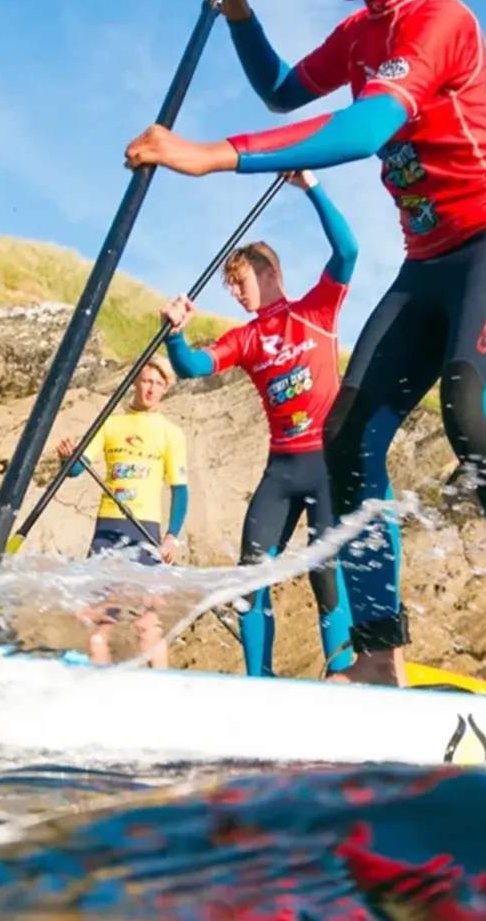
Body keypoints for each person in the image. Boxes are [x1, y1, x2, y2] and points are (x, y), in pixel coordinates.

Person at [120, 0, 486, 698]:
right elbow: (280, 91)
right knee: (347, 437)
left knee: (473, 412)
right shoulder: (359, 32)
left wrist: (210, 156)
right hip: (426, 263)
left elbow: (367, 128)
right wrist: (241, 14)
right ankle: (379, 654)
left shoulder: (440, 19)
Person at [159, 169, 357, 679]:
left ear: (268, 272)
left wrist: (311, 186)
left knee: (324, 572)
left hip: (324, 463)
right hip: (281, 470)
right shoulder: (244, 339)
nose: (237, 294)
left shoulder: (317, 310)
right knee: (249, 577)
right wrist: (176, 337)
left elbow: (348, 252)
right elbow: (194, 369)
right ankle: (259, 681)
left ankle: (344, 676)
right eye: (230, 288)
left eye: (240, 282)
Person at [53, 357, 190, 668]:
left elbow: (180, 490)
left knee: (147, 626)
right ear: (136, 382)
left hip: (145, 531)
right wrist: (67, 457)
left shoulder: (171, 434)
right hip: (107, 531)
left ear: (165, 389)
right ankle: (101, 692)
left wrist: (172, 537)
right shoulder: (110, 423)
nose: (151, 389)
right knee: (97, 626)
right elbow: (76, 470)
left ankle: (160, 695)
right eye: (146, 381)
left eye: (158, 384)